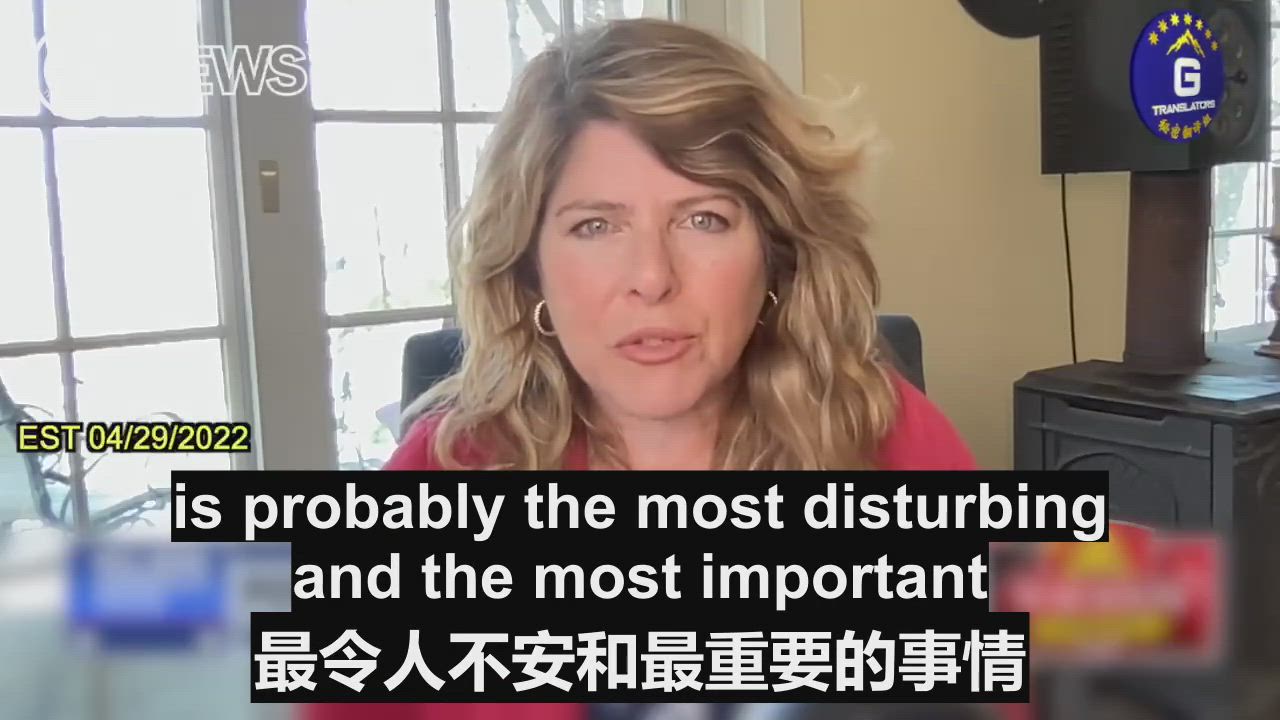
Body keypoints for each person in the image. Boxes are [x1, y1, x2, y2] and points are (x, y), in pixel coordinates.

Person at [303, 15, 974, 720]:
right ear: (531, 267)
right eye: (595, 226)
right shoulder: (441, 471)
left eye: (703, 219)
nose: (652, 278)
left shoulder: (888, 435)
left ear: (775, 254)